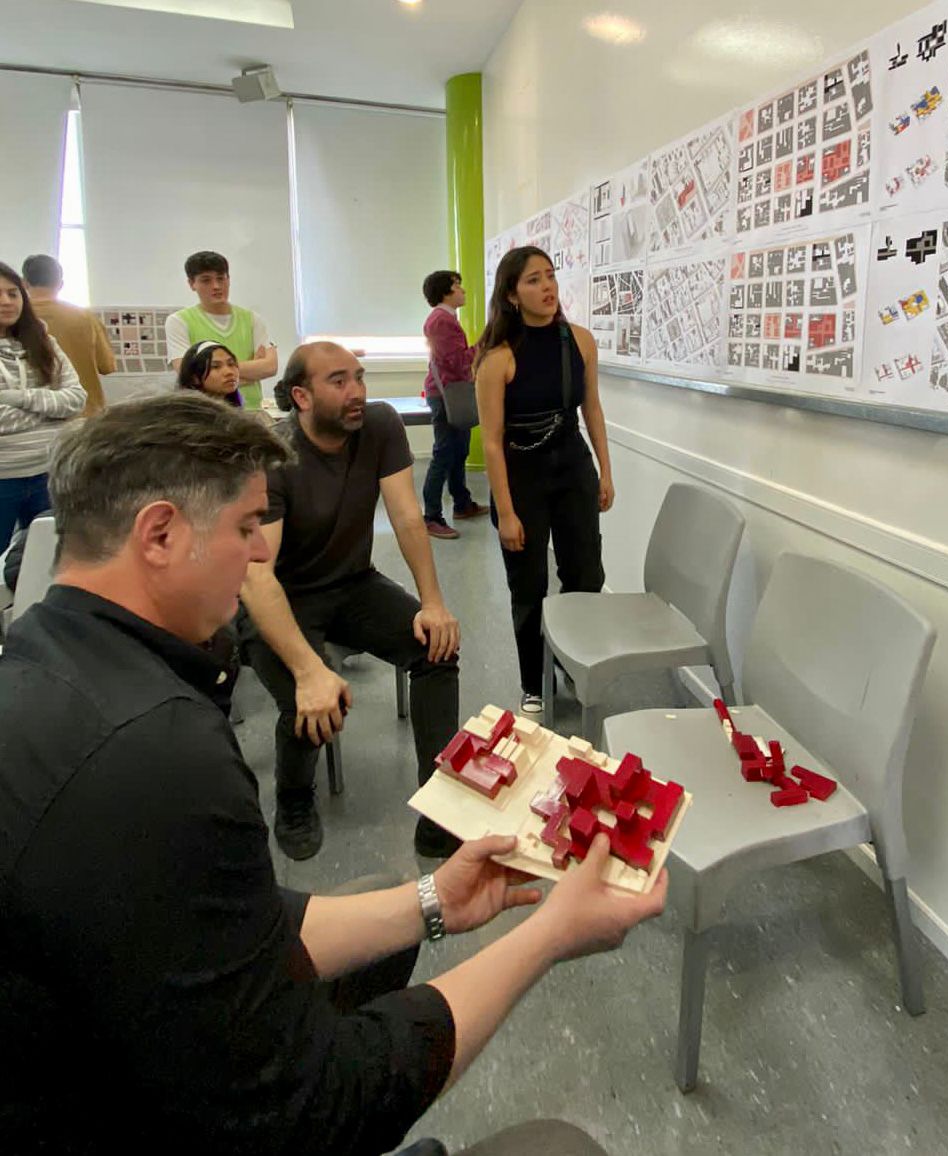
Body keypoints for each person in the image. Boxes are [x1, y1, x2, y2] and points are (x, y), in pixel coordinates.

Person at [0, 391, 666, 1155]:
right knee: (560, 1148)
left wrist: (432, 902)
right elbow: (311, 1113)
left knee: (378, 913)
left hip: (119, 1047)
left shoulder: (45, 661)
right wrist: (550, 934)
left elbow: (214, 916)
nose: (259, 553)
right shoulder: (159, 753)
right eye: (247, 527)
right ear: (160, 534)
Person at [240, 341, 461, 861]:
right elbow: (256, 578)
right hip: (282, 598)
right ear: (301, 396)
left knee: (437, 649)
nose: (357, 391)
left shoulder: (379, 425)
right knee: (311, 698)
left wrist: (433, 602)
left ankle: (439, 807)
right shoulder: (271, 456)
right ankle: (294, 799)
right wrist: (307, 671)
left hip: (353, 584)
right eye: (338, 381)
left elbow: (407, 516)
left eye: (359, 377)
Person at [474, 247, 614, 716]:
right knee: (528, 586)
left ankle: (575, 666)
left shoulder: (579, 340)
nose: (547, 287)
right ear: (513, 294)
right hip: (521, 476)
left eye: (550, 276)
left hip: (572, 467)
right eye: (533, 280)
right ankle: (533, 681)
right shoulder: (497, 358)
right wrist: (507, 512)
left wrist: (605, 470)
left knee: (586, 575)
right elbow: (492, 443)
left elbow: (591, 409)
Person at [0, 260, 86, 553]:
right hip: (3, 477)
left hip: (48, 472)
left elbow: (76, 398)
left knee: (49, 558)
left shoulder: (44, 341)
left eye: (13, 293)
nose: (6, 301)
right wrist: (51, 415)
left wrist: (19, 399)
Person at [421, 269, 489, 539]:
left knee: (458, 451)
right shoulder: (441, 320)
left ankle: (462, 504)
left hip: (451, 393)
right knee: (444, 454)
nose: (463, 290)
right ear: (445, 292)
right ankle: (431, 516)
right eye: (458, 286)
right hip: (446, 395)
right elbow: (459, 362)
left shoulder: (445, 318)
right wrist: (484, 343)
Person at [166, 250, 277, 411]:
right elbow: (186, 373)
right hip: (207, 414)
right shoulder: (179, 321)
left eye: (221, 278)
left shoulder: (252, 319)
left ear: (229, 279)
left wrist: (211, 373)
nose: (216, 286)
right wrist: (250, 372)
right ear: (192, 284)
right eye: (206, 280)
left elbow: (269, 367)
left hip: (251, 412)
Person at [21, 253, 116, 415]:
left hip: (32, 417)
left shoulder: (16, 318)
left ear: (23, 284)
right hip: (85, 415)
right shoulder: (85, 317)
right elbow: (107, 366)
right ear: (60, 284)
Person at [177, 339, 243, 406]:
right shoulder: (186, 415)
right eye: (215, 366)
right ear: (195, 378)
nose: (229, 372)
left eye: (231, 364)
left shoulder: (236, 411)